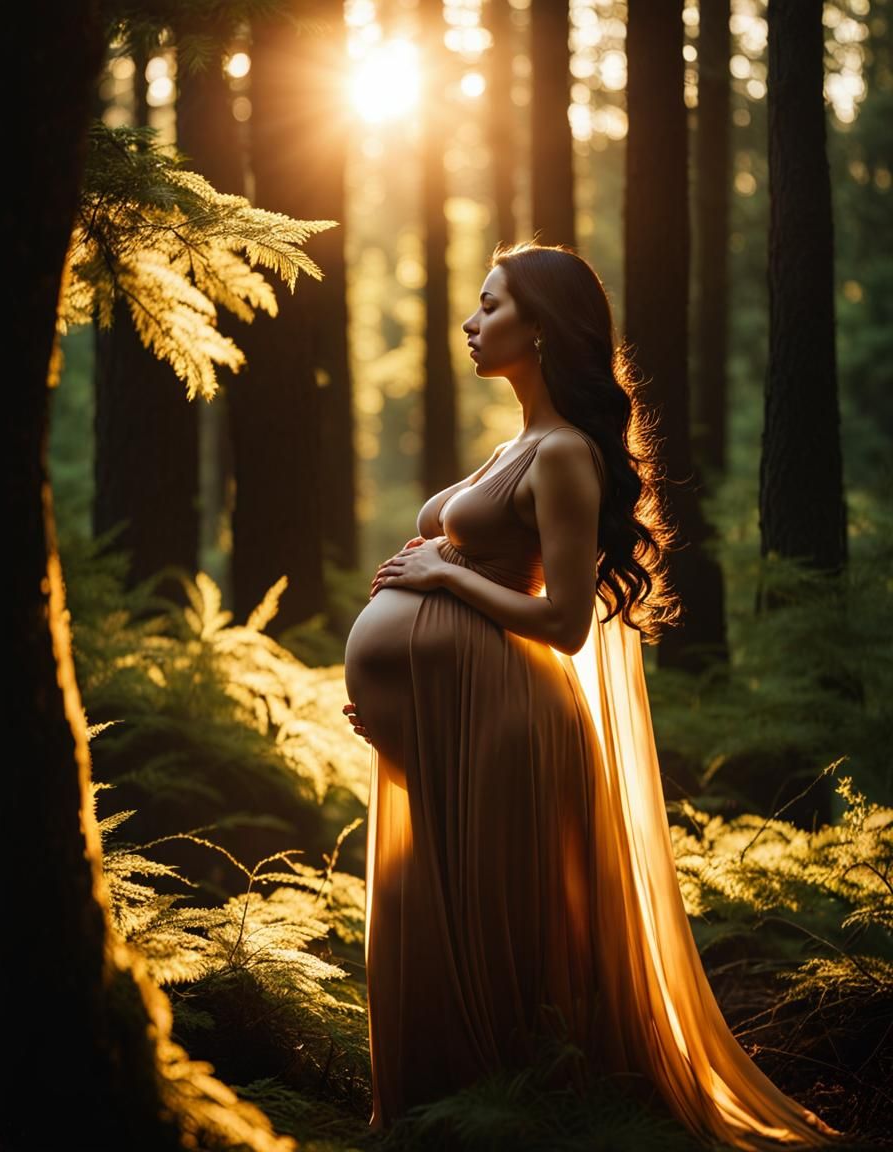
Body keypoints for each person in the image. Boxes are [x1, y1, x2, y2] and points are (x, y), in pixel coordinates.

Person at [341, 242, 841, 1149]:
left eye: (491, 307)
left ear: (540, 327)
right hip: (452, 726)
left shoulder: (566, 453)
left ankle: (521, 1123)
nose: (470, 322)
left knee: (497, 948)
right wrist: (397, 697)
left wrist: (441, 585)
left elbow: (566, 622)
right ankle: (444, 1122)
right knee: (432, 925)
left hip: (507, 729)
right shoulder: (513, 445)